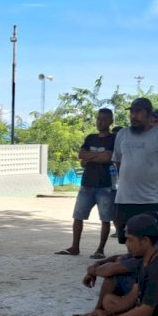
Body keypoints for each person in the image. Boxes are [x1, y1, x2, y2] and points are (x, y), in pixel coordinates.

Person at [112, 98, 158, 243]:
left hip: (149, 199)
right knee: (127, 240)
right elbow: (117, 161)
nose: (133, 116)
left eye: (138, 112)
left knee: (148, 241)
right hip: (124, 199)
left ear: (149, 114)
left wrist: (151, 175)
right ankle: (132, 265)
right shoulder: (122, 134)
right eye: (132, 112)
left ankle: (147, 266)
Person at [56, 108, 115, 258]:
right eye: (98, 118)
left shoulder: (113, 139)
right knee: (78, 216)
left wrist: (90, 157)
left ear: (110, 121)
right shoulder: (90, 137)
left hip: (105, 185)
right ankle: (75, 247)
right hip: (87, 184)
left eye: (103, 119)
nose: (99, 122)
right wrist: (98, 156)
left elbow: (108, 157)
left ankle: (100, 250)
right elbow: (81, 156)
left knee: (105, 219)